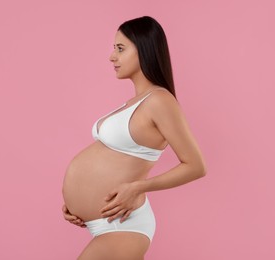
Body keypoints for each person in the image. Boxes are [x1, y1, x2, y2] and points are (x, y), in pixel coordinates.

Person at [62, 16, 207, 260]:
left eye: (120, 48)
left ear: (144, 50)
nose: (112, 56)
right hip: (105, 224)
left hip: (123, 226)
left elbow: (196, 166)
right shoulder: (132, 104)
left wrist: (137, 187)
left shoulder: (160, 101)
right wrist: (77, 204)